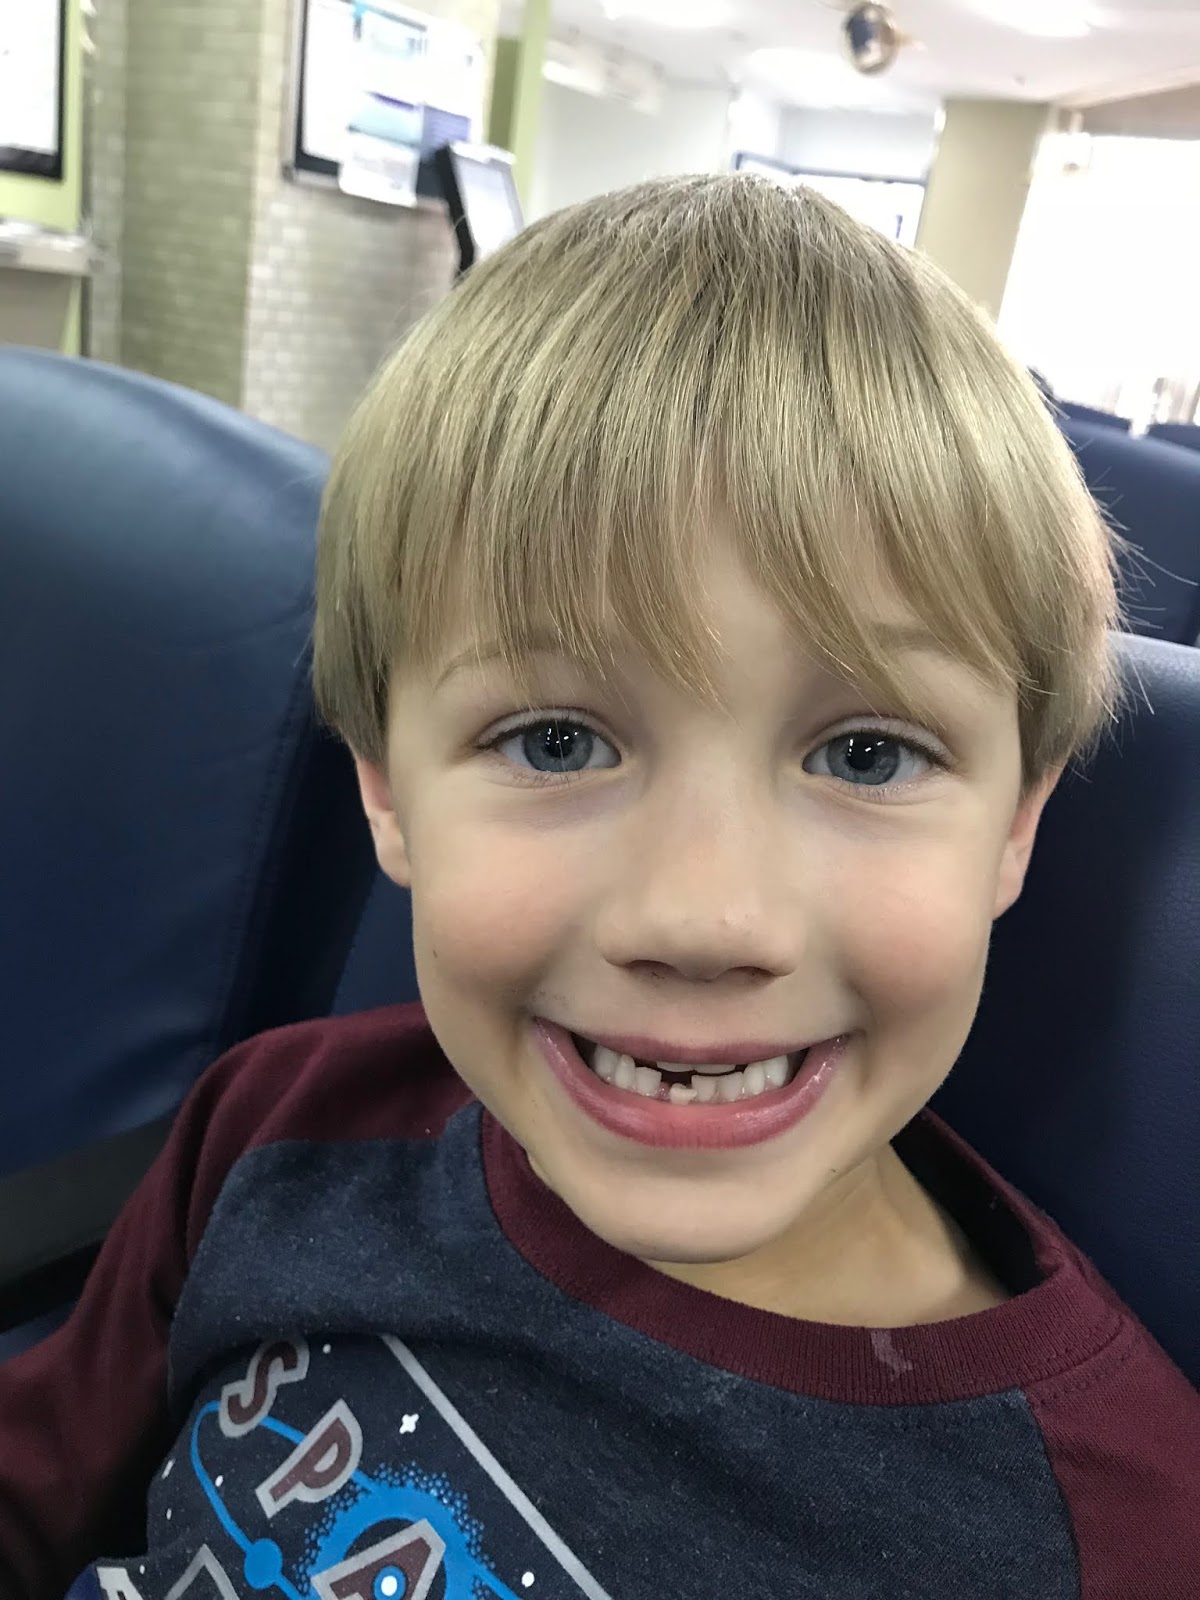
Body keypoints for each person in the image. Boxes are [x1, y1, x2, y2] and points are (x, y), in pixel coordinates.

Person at [1, 175, 1197, 1600]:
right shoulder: (285, 1122)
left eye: (868, 754)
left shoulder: (1111, 1540)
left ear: (1015, 827)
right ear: (387, 788)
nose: (702, 919)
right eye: (555, 742)